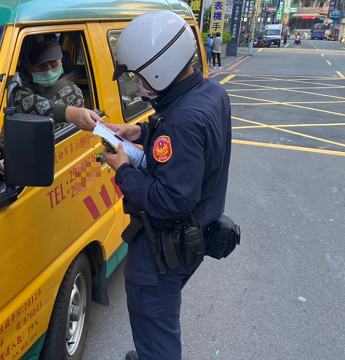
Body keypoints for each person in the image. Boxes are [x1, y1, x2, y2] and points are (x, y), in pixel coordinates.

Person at [105, 10, 232, 360]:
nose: (137, 84)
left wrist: (123, 170)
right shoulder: (210, 93)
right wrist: (141, 132)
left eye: (138, 77)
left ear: (159, 68)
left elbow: (171, 200)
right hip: (194, 235)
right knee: (157, 325)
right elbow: (191, 149)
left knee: (157, 332)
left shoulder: (183, 120)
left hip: (163, 249)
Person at [13, 33, 97, 129]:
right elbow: (22, 100)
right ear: (26, 65)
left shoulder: (72, 92)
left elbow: (68, 135)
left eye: (53, 60)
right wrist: (68, 113)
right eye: (39, 63)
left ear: (61, 59)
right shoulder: (18, 81)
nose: (48, 67)